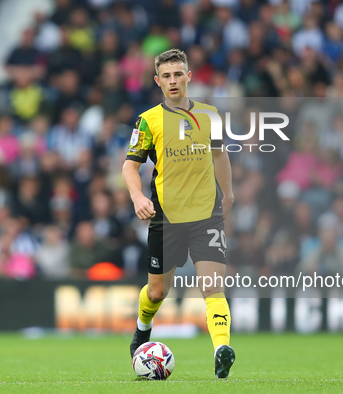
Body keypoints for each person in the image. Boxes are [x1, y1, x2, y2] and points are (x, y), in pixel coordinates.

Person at [122, 49, 236, 379]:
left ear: (189, 77)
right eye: (167, 76)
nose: (173, 81)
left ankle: (221, 350)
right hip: (165, 218)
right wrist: (137, 196)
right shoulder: (148, 120)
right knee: (157, 292)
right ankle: (143, 331)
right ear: (158, 81)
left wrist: (228, 193)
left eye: (179, 74)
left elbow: (220, 155)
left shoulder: (211, 116)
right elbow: (130, 165)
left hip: (205, 215)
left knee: (213, 287)